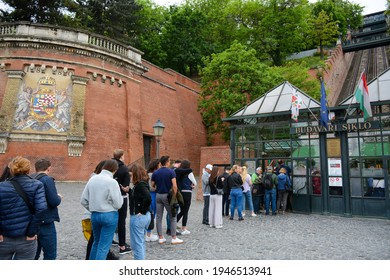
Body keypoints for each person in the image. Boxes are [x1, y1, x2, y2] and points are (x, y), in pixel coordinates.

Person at [0, 156, 47, 260]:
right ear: (28, 169)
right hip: (26, 239)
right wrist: (31, 232)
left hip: (4, 238)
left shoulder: (1, 186)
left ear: (11, 169)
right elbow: (42, 209)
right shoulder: (37, 185)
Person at [80, 159, 123, 260]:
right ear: (114, 170)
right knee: (103, 247)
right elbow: (118, 203)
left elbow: (83, 200)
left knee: (96, 243)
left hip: (95, 214)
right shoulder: (112, 182)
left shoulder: (93, 179)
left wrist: (92, 208)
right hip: (109, 215)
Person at [32, 159, 62, 260]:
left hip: (33, 221)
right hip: (46, 221)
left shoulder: (31, 178)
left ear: (36, 168)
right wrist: (58, 197)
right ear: (49, 168)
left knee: (34, 254)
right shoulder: (47, 180)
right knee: (50, 254)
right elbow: (54, 201)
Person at [151, 155, 183, 244]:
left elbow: (152, 184)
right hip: (168, 195)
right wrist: (174, 195)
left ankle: (160, 237)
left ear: (161, 163)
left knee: (159, 217)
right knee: (172, 216)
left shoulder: (156, 173)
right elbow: (175, 186)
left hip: (158, 195)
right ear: (168, 162)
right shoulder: (171, 172)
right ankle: (174, 237)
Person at [129, 163, 152, 260]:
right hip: (144, 217)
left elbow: (148, 198)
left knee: (137, 245)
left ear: (135, 174)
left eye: (130, 175)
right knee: (140, 243)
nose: (129, 177)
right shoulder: (142, 184)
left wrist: (142, 211)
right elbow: (140, 197)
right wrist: (129, 191)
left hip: (139, 217)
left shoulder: (140, 185)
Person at [112, 149, 132, 255]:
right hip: (122, 198)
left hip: (109, 198)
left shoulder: (108, 166)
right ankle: (122, 246)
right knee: (121, 221)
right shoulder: (124, 169)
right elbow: (126, 188)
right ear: (121, 156)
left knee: (111, 219)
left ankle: (110, 239)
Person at [175, 159, 197, 235]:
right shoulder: (189, 172)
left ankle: (174, 224)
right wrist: (192, 185)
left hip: (180, 192)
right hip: (187, 192)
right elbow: (195, 182)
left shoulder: (178, 172)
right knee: (185, 211)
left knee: (182, 210)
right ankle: (183, 228)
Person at [145, 159, 160, 242]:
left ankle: (148, 233)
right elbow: (152, 187)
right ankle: (148, 234)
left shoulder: (148, 174)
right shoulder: (152, 175)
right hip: (152, 194)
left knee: (150, 213)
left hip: (151, 194)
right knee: (151, 213)